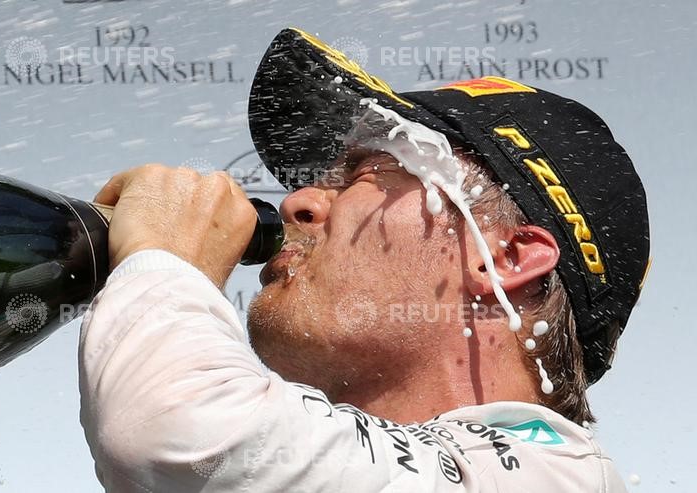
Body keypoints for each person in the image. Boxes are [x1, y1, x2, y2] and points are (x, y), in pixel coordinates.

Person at [79, 29, 650, 492]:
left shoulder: (556, 476)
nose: (298, 202)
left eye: (368, 174)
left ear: (504, 258)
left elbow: (175, 430)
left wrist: (165, 261)